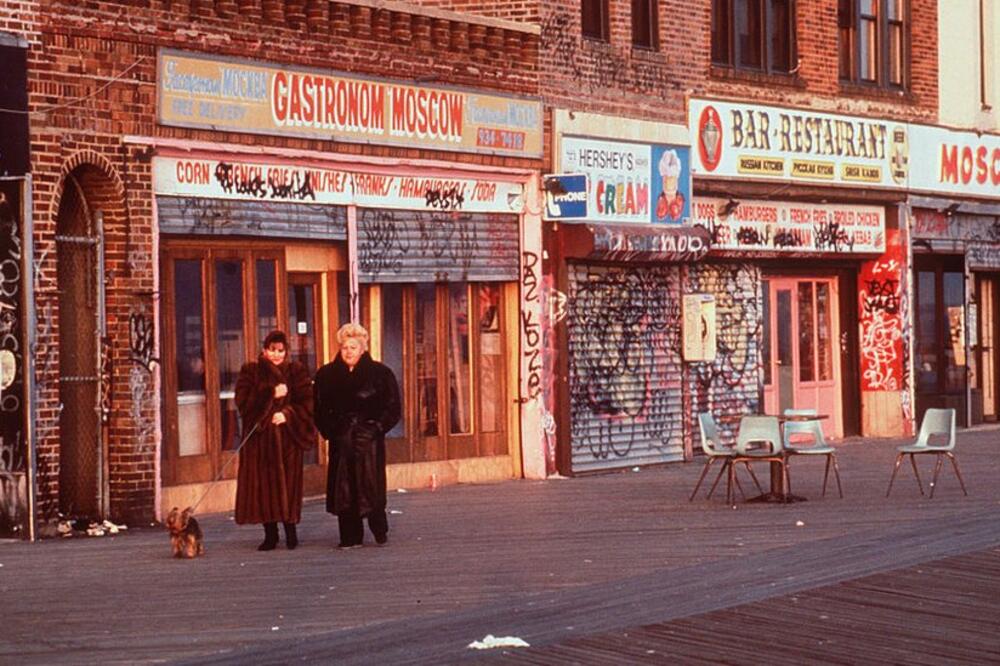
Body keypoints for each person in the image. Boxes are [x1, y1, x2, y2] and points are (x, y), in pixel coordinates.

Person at [314, 323, 401, 548]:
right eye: (345, 347)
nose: (348, 352)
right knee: (343, 489)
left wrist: (376, 428)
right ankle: (349, 536)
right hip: (341, 439)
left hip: (368, 440)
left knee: (370, 487)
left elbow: (392, 408)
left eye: (353, 347)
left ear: (363, 348)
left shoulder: (380, 373)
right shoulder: (326, 375)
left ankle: (378, 527)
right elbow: (319, 408)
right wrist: (331, 431)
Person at [234, 330, 316, 551]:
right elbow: (243, 403)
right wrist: (270, 394)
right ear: (264, 350)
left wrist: (287, 414)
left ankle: (291, 532)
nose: (277, 355)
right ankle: (270, 534)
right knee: (263, 488)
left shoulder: (296, 372)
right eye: (273, 350)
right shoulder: (250, 372)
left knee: (289, 485)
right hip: (260, 442)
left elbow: (308, 403)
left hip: (288, 439)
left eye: (281, 350)